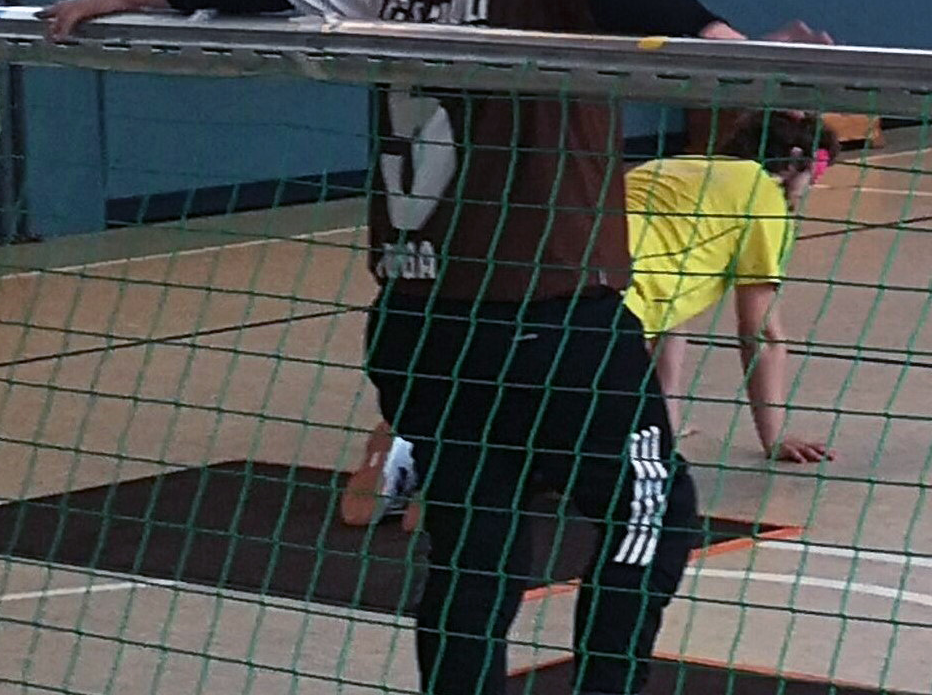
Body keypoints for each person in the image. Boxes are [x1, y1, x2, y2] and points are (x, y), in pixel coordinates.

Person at [41, 0, 796, 695]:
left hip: (416, 318)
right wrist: (731, 50)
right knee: (652, 515)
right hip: (552, 311)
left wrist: (112, 0)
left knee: (477, 553)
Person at [338, 107, 839, 530]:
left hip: (546, 276)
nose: (810, 190)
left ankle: (410, 443)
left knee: (498, 385)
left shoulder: (678, 169)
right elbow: (760, 331)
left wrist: (661, 419)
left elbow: (669, 315)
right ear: (793, 163)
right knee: (556, 452)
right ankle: (450, 480)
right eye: (815, 176)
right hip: (610, 306)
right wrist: (773, 437)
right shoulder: (765, 198)